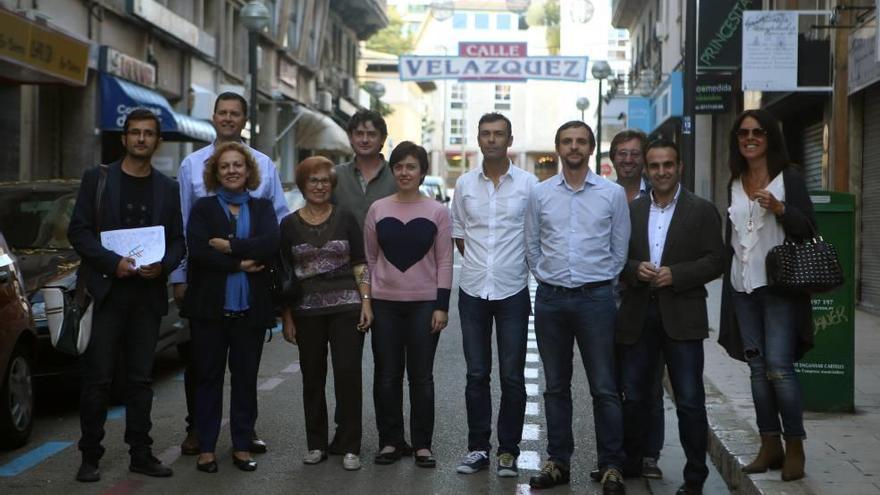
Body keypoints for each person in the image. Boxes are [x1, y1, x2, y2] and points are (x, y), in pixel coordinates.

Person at [68, 108, 186, 482]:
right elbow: (79, 232)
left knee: (140, 381)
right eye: (135, 133)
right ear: (124, 139)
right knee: (98, 380)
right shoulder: (98, 179)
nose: (141, 139)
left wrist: (163, 266)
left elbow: (179, 242)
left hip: (147, 298)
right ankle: (90, 456)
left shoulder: (168, 188)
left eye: (148, 134)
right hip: (105, 295)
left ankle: (141, 452)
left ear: (157, 140)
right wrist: (112, 263)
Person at [173, 92, 288, 456]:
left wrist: (235, 249)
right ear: (213, 117)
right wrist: (179, 276)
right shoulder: (191, 165)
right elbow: (186, 227)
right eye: (221, 112)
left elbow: (278, 225)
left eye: (234, 113)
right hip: (205, 285)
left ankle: (245, 433)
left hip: (253, 287)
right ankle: (198, 431)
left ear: (244, 119)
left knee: (244, 370)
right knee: (202, 367)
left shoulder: (265, 166)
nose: (227, 118)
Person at [524, 121, 630, 494]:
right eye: (567, 141)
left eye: (580, 142)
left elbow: (620, 250)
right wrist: (549, 276)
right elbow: (532, 245)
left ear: (590, 148)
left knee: (604, 386)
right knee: (555, 387)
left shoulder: (611, 194)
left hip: (596, 299)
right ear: (557, 148)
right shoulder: (539, 195)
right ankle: (558, 462)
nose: (574, 147)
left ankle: (612, 465)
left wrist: (597, 282)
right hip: (551, 298)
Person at [617, 139, 724, 495]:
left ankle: (695, 478)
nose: (661, 171)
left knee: (690, 400)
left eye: (668, 165)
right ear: (646, 170)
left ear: (680, 167)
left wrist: (677, 275)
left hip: (682, 315)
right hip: (638, 313)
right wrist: (635, 269)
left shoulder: (702, 210)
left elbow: (716, 260)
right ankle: (632, 461)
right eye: (655, 165)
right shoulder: (630, 211)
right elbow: (614, 259)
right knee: (634, 394)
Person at [718, 109, 816, 482]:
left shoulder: (788, 177)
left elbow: (808, 227)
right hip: (743, 288)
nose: (750, 138)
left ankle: (795, 446)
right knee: (758, 370)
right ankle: (769, 443)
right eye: (743, 133)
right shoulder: (735, 180)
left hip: (778, 288)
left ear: (770, 137)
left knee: (779, 367)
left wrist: (780, 209)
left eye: (758, 132)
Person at [451, 113, 537, 477]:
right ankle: (477, 449)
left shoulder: (529, 185)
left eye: (498, 134)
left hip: (513, 288)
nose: (491, 139)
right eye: (485, 133)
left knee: (513, 376)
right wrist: (480, 265)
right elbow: (459, 233)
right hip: (472, 289)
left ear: (510, 139)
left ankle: (508, 451)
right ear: (479, 139)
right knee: (476, 374)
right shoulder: (465, 184)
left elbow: (535, 234)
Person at [279, 156, 373, 471]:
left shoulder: (346, 218)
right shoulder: (289, 225)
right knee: (312, 378)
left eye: (324, 181)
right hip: (306, 312)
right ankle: (316, 444)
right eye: (312, 180)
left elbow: (360, 263)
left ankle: (350, 445)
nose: (319, 186)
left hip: (347, 308)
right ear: (303, 184)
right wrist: (287, 317)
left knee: (348, 376)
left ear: (332, 185)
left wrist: (366, 301)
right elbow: (285, 275)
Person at [363, 141, 453, 468]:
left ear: (422, 172)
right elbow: (369, 260)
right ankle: (390, 441)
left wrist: (441, 306)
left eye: (411, 166)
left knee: (421, 376)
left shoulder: (437, 212)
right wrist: (367, 302)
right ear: (393, 171)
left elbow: (445, 261)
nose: (404, 172)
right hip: (385, 305)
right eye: (399, 166)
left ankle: (422, 445)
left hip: (424, 306)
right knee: (386, 375)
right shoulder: (378, 209)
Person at [602, 129, 665, 483]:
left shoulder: (656, 196)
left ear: (644, 158)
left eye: (634, 153)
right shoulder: (602, 194)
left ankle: (649, 455)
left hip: (645, 300)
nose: (628, 159)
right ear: (613, 158)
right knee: (608, 385)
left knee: (648, 384)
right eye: (621, 154)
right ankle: (612, 455)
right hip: (605, 300)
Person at [333, 110, 398, 228]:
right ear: (350, 137)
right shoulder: (335, 175)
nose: (364, 140)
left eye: (372, 134)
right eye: (359, 134)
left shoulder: (397, 175)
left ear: (383, 139)